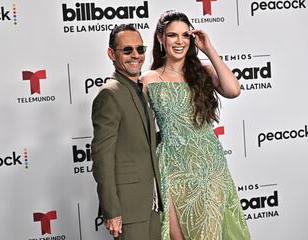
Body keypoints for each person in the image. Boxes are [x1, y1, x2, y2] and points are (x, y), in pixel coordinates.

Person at [140, 10, 251, 240]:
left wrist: (208, 49)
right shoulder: (148, 79)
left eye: (185, 35)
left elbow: (233, 90)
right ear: (161, 38)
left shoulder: (203, 72)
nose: (179, 42)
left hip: (210, 167)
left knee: (211, 233)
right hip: (173, 167)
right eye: (172, 35)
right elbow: (144, 130)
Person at [91, 24, 162, 240]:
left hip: (153, 202)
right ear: (112, 54)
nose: (135, 56)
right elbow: (102, 157)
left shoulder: (143, 89)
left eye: (140, 49)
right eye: (127, 50)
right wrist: (111, 211)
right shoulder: (110, 94)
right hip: (128, 208)